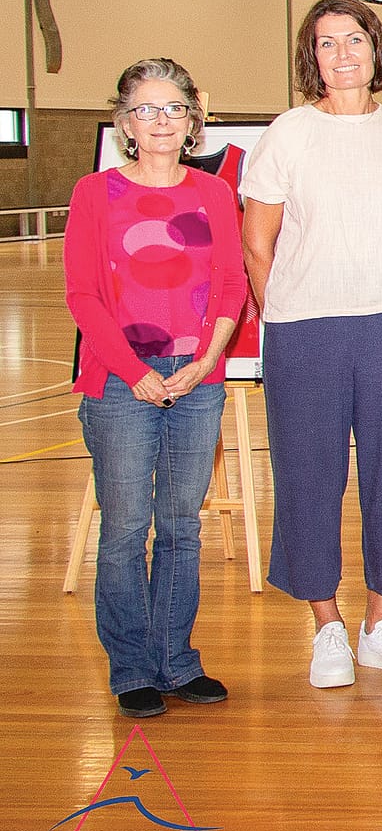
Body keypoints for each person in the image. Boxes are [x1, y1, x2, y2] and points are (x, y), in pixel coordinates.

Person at [241, 0, 382, 689]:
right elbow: (256, 243)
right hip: (304, 333)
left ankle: (379, 624)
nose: (343, 54)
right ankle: (326, 624)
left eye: (354, 39)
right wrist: (285, 315)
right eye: (327, 44)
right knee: (308, 475)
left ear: (376, 51)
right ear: (313, 59)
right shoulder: (288, 134)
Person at [65, 59, 246, 719]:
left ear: (192, 120)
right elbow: (82, 294)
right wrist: (132, 371)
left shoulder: (214, 192)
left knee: (180, 527)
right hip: (120, 383)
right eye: (147, 109)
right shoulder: (94, 193)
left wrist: (206, 360)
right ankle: (132, 667)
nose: (162, 121)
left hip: (197, 379)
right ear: (124, 122)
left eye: (174, 108)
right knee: (125, 530)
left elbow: (231, 284)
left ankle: (177, 659)